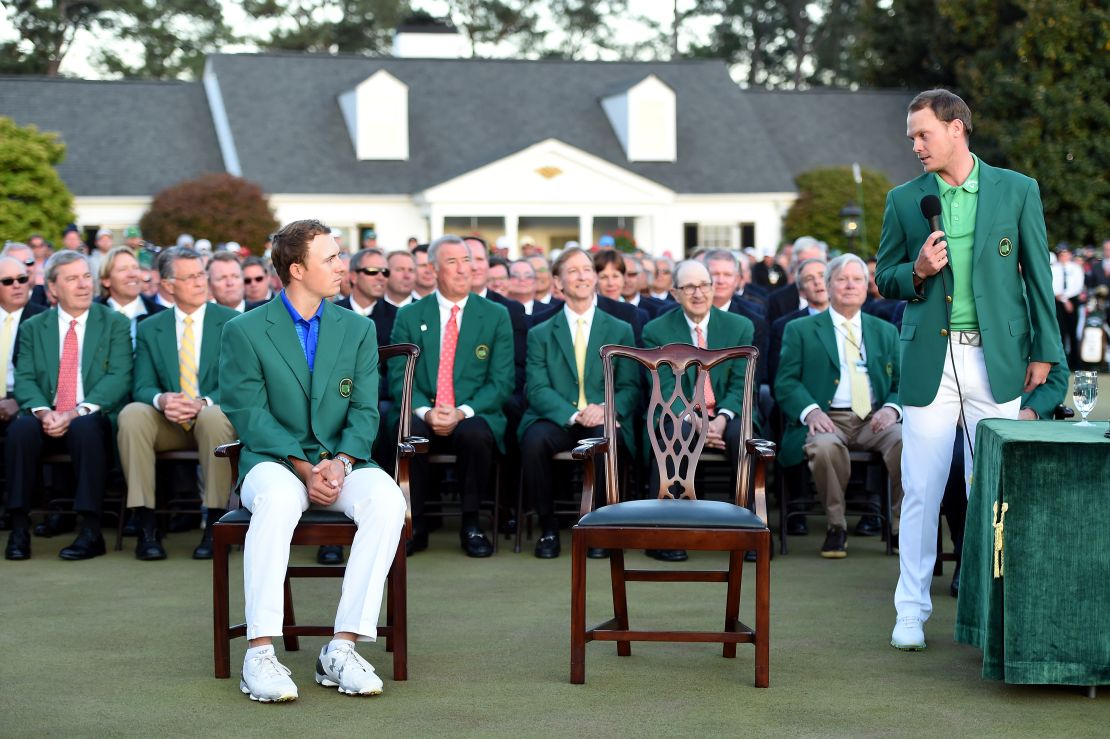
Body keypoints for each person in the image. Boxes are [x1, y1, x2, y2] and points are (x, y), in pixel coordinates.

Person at [874, 89, 1060, 651]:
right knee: (921, 488)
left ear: (957, 129)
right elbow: (885, 277)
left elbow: (1038, 279)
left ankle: (996, 607)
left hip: (996, 358)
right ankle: (911, 612)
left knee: (994, 489)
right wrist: (918, 269)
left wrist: (1045, 352)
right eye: (911, 136)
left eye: (923, 134)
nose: (915, 146)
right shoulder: (904, 200)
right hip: (931, 359)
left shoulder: (1018, 189)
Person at [219, 219, 406, 702]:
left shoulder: (358, 329)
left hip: (341, 462)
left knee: (388, 500)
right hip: (274, 463)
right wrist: (304, 468)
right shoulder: (243, 330)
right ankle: (259, 652)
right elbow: (248, 414)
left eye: (340, 256)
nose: (343, 266)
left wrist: (341, 462)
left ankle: (341, 649)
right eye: (331, 258)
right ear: (296, 269)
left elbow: (366, 410)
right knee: (279, 502)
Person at [388, 235, 515, 557]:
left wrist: (461, 411)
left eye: (467, 261)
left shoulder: (496, 314)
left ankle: (471, 524)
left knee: (476, 436)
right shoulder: (410, 316)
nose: (463, 269)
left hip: (471, 412)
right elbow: (399, 376)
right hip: (424, 412)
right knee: (408, 434)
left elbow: (501, 382)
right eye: (452, 262)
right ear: (432, 269)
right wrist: (424, 411)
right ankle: (413, 524)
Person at [5, 251, 132, 561]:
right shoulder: (34, 326)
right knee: (20, 429)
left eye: (86, 276)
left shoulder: (113, 322)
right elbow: (23, 378)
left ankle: (90, 530)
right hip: (47, 412)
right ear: (52, 288)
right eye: (72, 278)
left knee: (86, 429)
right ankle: (19, 527)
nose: (83, 285)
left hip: (91, 413)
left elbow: (119, 376)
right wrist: (43, 411)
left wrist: (76, 411)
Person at [775, 254, 903, 559]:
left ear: (866, 285)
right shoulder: (801, 329)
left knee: (907, 442)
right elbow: (786, 381)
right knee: (824, 448)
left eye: (857, 279)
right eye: (841, 279)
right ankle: (836, 525)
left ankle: (900, 527)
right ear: (827, 286)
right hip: (827, 419)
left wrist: (891, 409)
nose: (850, 285)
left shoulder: (885, 331)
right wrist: (812, 412)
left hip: (874, 419)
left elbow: (903, 381)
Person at [116, 247, 237, 561]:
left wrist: (203, 402)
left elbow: (241, 382)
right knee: (132, 414)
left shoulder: (232, 322)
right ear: (168, 285)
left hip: (212, 421)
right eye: (191, 277)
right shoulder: (149, 327)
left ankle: (215, 524)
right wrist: (162, 399)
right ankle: (146, 525)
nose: (200, 282)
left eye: (201, 274)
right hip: (168, 421)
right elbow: (141, 385)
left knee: (212, 415)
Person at [518, 247, 638, 558]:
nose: (582, 276)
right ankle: (548, 528)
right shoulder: (540, 332)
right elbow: (537, 387)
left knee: (606, 438)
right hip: (558, 417)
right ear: (558, 282)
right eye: (572, 271)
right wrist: (573, 415)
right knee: (533, 441)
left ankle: (598, 528)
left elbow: (629, 386)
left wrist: (605, 410)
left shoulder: (620, 328)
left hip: (603, 416)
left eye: (586, 269)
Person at [641, 259, 757, 562]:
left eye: (704, 285)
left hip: (726, 413)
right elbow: (664, 388)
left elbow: (741, 384)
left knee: (743, 438)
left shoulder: (739, 326)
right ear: (675, 292)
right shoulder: (657, 330)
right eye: (689, 287)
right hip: (679, 413)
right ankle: (664, 534)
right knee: (671, 435)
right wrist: (697, 421)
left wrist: (721, 419)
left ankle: (749, 533)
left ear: (713, 287)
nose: (698, 293)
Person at [1, 255, 47, 430]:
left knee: (23, 430)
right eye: (7, 281)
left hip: (28, 402)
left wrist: (19, 402)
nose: (16, 285)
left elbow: (51, 375)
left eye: (22, 279)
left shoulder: (45, 319)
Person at [96, 246, 167, 345]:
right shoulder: (91, 314)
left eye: (135, 267)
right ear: (106, 280)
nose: (132, 274)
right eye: (122, 269)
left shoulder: (162, 315)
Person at [1050, 244, 1084, 368]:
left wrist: (1066, 298)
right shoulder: (1053, 268)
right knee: (1060, 332)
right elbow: (1052, 286)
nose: (1063, 256)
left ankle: (1075, 363)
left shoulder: (1076, 268)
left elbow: (1078, 286)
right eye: (1061, 254)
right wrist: (1064, 300)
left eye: (1066, 254)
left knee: (1073, 333)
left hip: (1072, 301)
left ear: (1070, 255)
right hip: (1058, 301)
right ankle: (1061, 362)